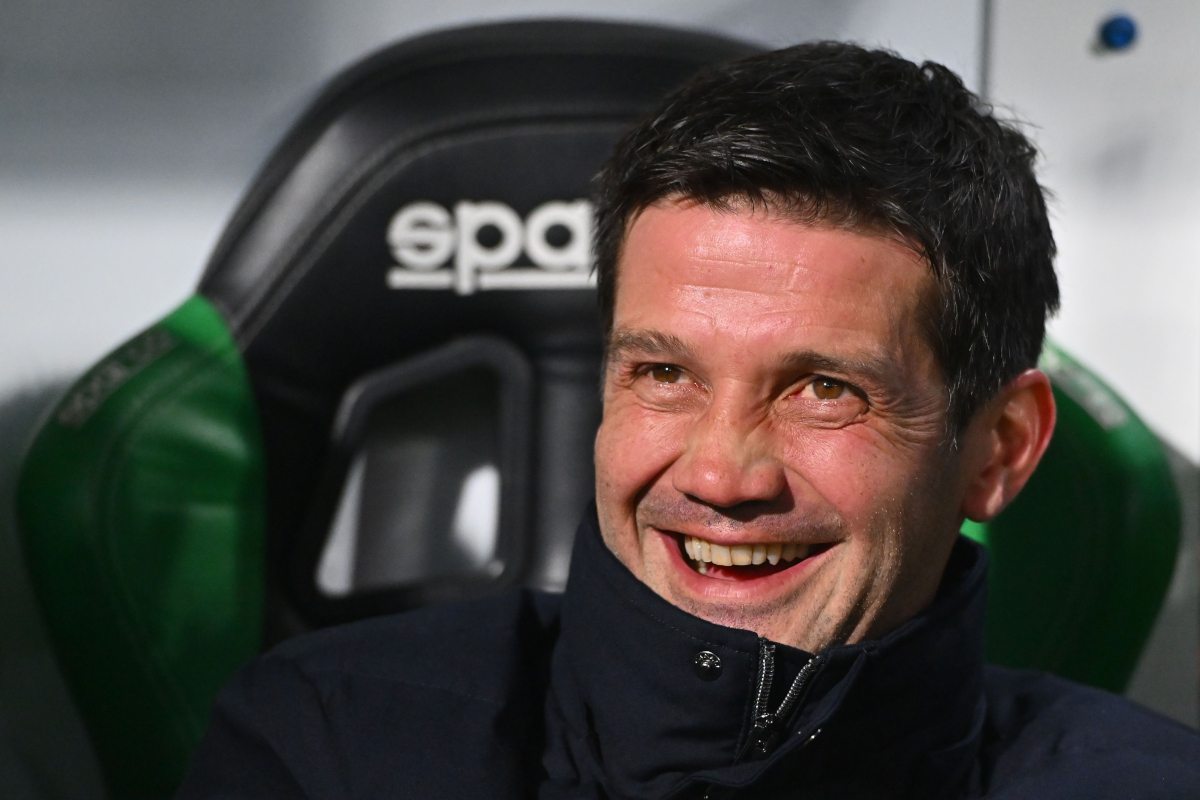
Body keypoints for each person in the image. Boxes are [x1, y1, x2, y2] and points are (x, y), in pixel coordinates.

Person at [177, 42, 1200, 799]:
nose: (720, 473)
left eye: (823, 389)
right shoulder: (325, 746)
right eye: (664, 371)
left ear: (999, 448)